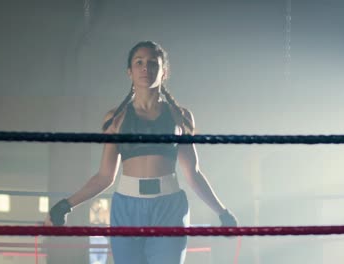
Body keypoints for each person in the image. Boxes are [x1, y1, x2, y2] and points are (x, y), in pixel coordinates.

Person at [46, 40, 237, 264]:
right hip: (126, 208)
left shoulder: (180, 116)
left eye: (152, 63)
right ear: (130, 72)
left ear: (164, 72)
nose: (145, 68)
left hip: (169, 207)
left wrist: (222, 212)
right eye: (139, 63)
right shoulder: (115, 118)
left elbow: (193, 173)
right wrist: (65, 205)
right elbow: (105, 176)